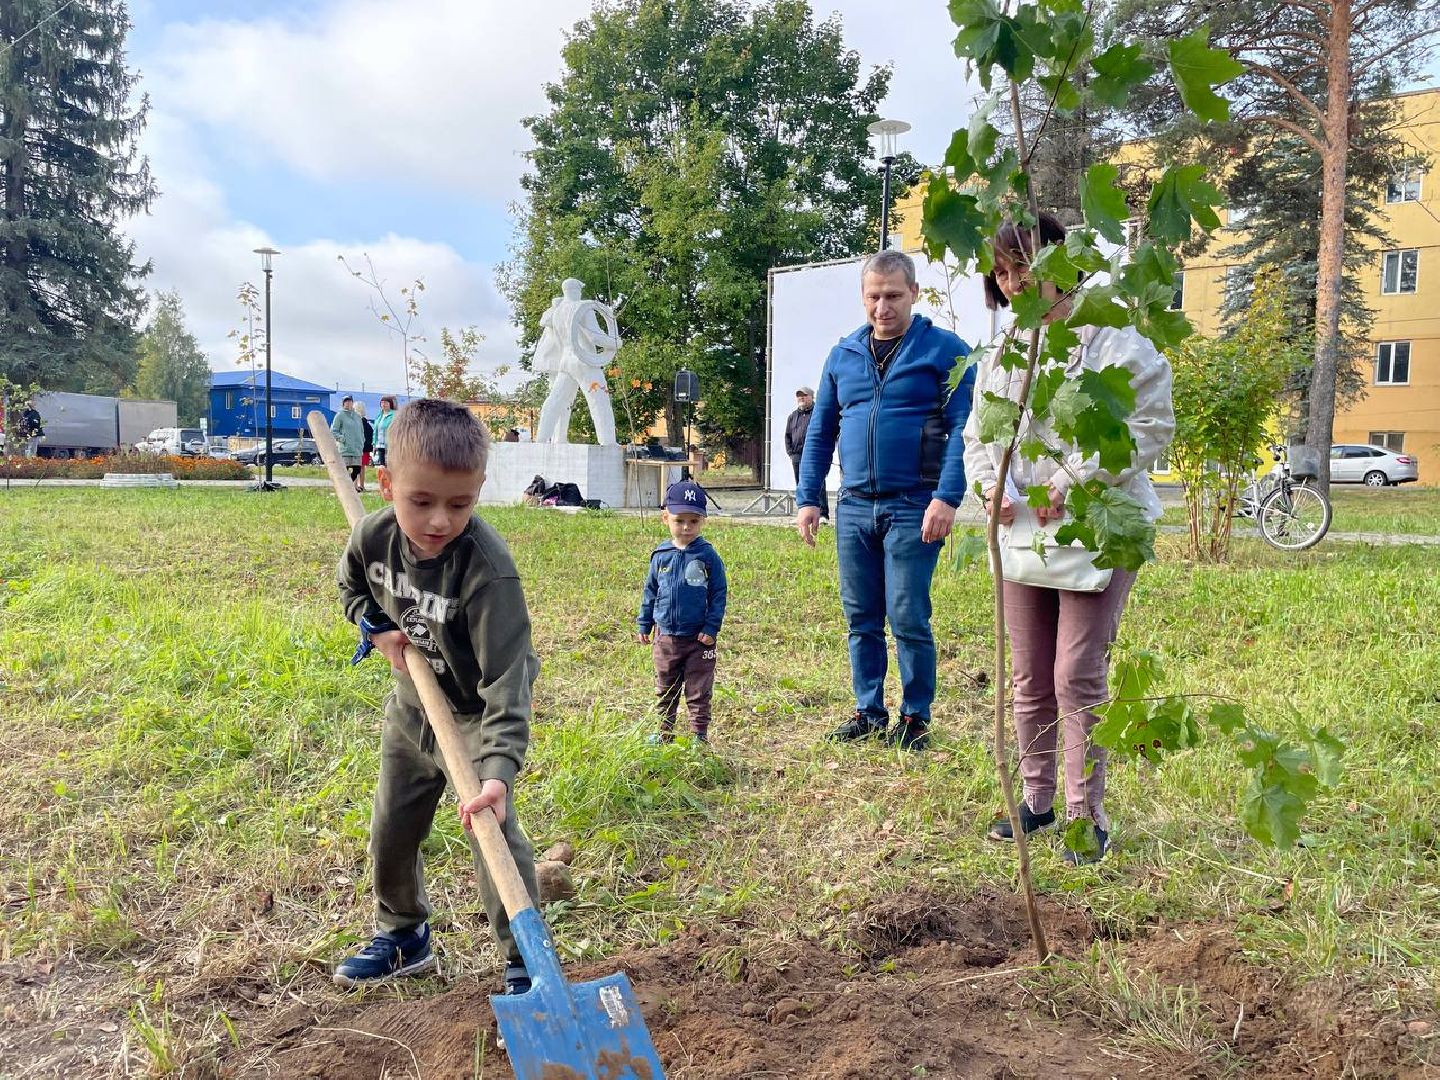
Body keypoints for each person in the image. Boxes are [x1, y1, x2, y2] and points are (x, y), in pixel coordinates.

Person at [964, 211, 1174, 864]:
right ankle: (1038, 800)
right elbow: (978, 436)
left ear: (1059, 262)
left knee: (1076, 674)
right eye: (1001, 272)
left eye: (1021, 266)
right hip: (1023, 534)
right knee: (1029, 677)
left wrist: (1080, 479)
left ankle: (1087, 818)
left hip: (1097, 529)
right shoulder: (1003, 351)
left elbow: (1151, 423)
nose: (1011, 282)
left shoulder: (1113, 337)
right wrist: (988, 487)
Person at [333, 398, 541, 993]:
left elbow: (508, 679)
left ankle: (526, 956)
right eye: (420, 502)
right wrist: (374, 627)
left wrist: (497, 771)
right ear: (386, 484)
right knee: (392, 825)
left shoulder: (487, 571)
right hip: (412, 705)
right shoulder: (372, 536)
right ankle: (403, 933)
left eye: (460, 504)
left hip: (474, 712)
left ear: (478, 491)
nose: (440, 521)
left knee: (491, 829)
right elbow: (350, 588)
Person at [795, 250, 974, 752]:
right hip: (853, 505)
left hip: (915, 504)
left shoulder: (944, 351)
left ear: (914, 293)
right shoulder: (842, 356)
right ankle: (868, 710)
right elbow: (820, 431)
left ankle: (915, 715)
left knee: (907, 613)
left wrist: (947, 496)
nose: (882, 307)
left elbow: (965, 428)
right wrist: (810, 497)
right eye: (873, 296)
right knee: (861, 615)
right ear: (863, 297)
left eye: (893, 295)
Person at [636, 480, 727, 744]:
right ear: (666, 518)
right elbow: (650, 591)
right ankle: (665, 733)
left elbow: (718, 593)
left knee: (699, 690)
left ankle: (699, 735)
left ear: (703, 522)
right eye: (679, 521)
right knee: (666, 688)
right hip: (665, 637)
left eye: (693, 521)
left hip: (698, 639)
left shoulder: (708, 556)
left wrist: (711, 628)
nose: (686, 527)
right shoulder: (661, 555)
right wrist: (644, 623)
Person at [533, 278, 621, 445]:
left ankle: (541, 439)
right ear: (576, 290)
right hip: (585, 362)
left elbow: (547, 322)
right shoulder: (583, 308)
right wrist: (616, 342)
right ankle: (608, 443)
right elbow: (595, 337)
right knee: (599, 401)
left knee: (555, 399)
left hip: (566, 361)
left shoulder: (557, 312)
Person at [784, 387, 828, 520]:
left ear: (811, 397)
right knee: (800, 485)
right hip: (797, 455)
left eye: (804, 395)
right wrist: (791, 452)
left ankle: (822, 514)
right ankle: (803, 514)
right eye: (799, 396)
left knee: (818, 484)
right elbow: (788, 435)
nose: (801, 398)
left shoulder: (818, 414)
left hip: (814, 454)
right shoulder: (793, 416)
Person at [331, 396, 364, 491]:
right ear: (343, 404)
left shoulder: (357, 416)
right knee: (344, 469)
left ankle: (347, 486)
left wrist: (362, 440)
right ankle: (343, 488)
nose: (348, 403)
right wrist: (342, 438)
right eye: (346, 402)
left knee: (357, 469)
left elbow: (361, 431)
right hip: (345, 448)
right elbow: (334, 430)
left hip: (357, 448)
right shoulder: (339, 415)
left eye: (350, 401)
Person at [355, 400, 375, 492]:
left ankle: (355, 485)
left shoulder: (354, 422)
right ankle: (361, 485)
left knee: (355, 466)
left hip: (356, 447)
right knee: (362, 467)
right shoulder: (367, 423)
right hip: (365, 449)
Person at [373, 396, 397, 467]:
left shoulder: (394, 415)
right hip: (380, 444)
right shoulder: (379, 416)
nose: (384, 404)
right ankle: (383, 478)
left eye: (386, 403)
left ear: (390, 404)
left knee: (391, 464)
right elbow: (375, 431)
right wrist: (374, 444)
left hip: (391, 444)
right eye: (382, 403)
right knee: (382, 465)